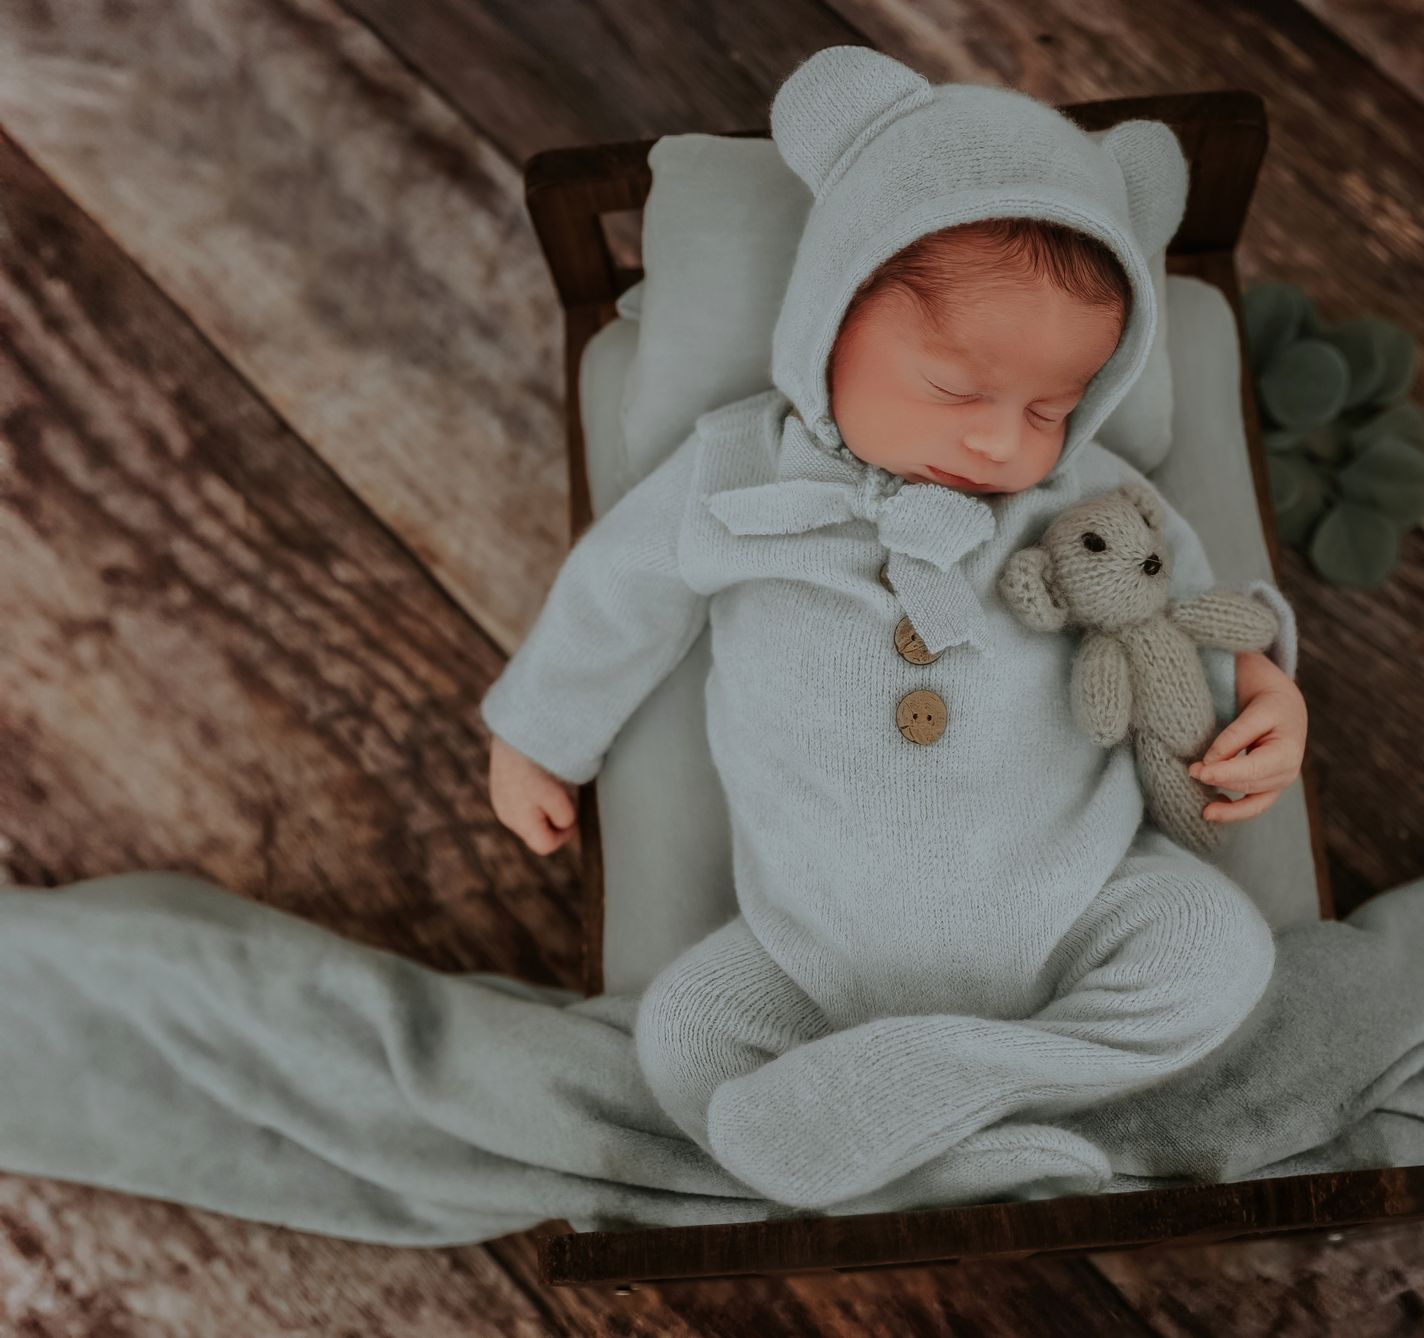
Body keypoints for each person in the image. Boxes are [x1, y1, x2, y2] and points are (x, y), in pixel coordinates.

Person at [480, 46, 1308, 1212]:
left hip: (1066, 909)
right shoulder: (732, 468)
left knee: (1216, 958)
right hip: (811, 942)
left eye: (1052, 407)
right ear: (828, 319)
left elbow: (1185, 606)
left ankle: (953, 1092)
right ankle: (981, 1130)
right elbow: (615, 596)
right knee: (686, 1041)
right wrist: (538, 735)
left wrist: (1270, 685)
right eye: (957, 390)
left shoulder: (1083, 495)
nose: (999, 443)